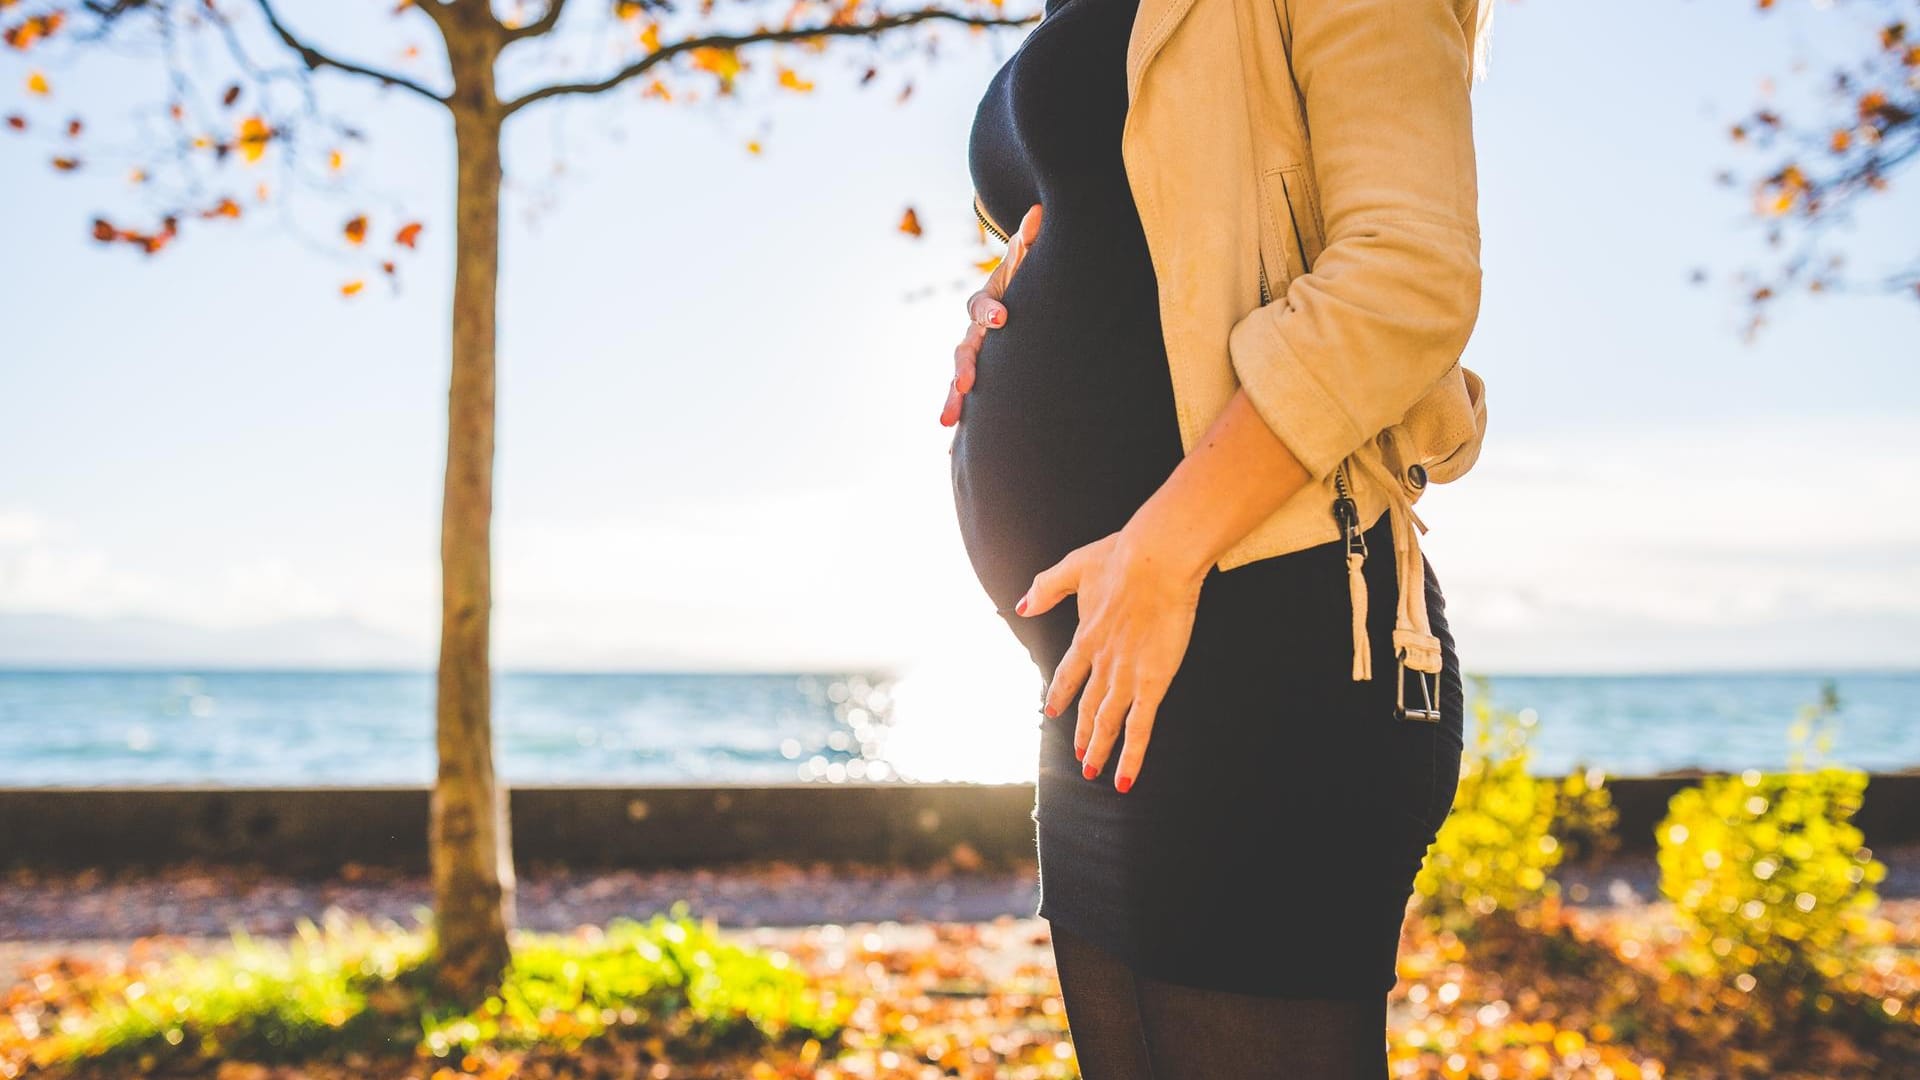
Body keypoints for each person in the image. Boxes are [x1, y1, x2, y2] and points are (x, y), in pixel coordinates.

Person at [940, 0, 1494, 1074]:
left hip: (1269, 640)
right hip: (1105, 675)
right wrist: (1004, 296)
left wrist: (1164, 546)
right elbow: (1124, 229)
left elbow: (1409, 272)